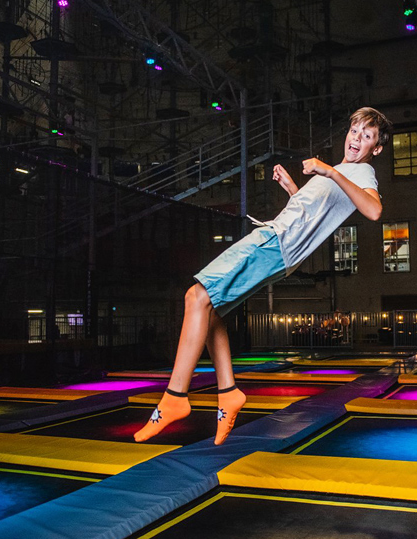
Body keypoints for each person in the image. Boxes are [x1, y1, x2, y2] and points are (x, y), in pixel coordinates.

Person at [133, 107, 392, 445]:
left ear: (377, 148)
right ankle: (228, 393)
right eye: (355, 130)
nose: (357, 138)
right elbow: (309, 218)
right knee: (209, 310)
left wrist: (328, 171)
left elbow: (373, 210)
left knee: (195, 296)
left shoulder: (361, 173)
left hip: (274, 243)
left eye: (367, 136)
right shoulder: (344, 171)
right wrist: (292, 189)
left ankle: (174, 399)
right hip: (280, 243)